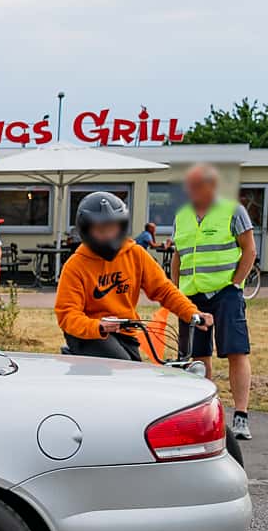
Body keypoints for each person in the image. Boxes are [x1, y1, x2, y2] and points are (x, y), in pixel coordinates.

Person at [59, 191, 211, 361]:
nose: (108, 235)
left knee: (135, 374)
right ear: (86, 230)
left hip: (126, 332)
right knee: (123, 368)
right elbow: (67, 314)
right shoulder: (76, 266)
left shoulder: (135, 254)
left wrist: (191, 313)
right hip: (89, 335)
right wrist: (98, 326)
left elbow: (164, 289)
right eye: (101, 230)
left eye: (113, 228)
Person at [171, 162, 257, 439]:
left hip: (225, 292)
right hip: (191, 294)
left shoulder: (234, 211)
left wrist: (235, 284)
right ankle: (203, 414)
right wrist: (175, 291)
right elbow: (178, 255)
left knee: (236, 351)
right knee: (197, 355)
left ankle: (241, 416)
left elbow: (249, 250)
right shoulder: (182, 215)